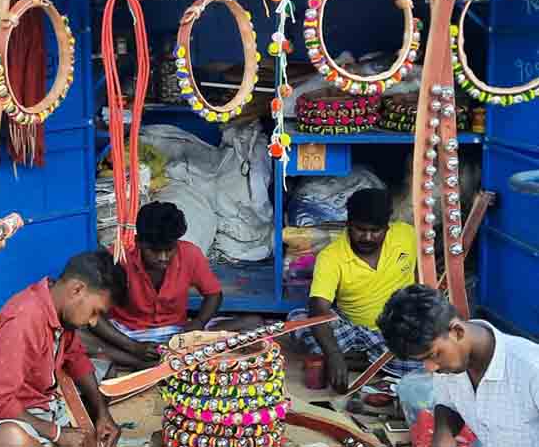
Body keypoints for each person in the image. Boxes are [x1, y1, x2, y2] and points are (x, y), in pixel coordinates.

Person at [0, 250, 126, 447]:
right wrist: (57, 433)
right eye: (95, 312)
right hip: (14, 418)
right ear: (77, 290)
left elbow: (77, 360)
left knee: (105, 369)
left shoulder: (59, 310)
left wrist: (102, 413)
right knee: (11, 439)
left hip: (48, 406)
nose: (93, 322)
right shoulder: (23, 319)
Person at [81, 201, 260, 372]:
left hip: (179, 333)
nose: (163, 257)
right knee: (79, 338)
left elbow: (214, 294)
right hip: (127, 333)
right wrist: (133, 347)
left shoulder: (190, 254)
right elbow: (92, 314)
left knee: (254, 323)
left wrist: (198, 322)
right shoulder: (117, 257)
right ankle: (142, 361)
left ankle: (153, 361)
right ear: (138, 242)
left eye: (169, 249)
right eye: (154, 251)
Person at [288, 188, 422, 393]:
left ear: (387, 228)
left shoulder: (407, 235)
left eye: (375, 231)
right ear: (348, 224)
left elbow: (439, 254)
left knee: (426, 356)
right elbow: (318, 307)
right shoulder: (331, 257)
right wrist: (333, 354)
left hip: (397, 330)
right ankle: (367, 359)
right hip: (354, 328)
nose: (367, 237)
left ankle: (358, 360)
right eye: (360, 229)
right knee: (299, 321)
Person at [378, 284, 539, 446]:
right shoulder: (449, 364)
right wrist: (444, 434)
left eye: (433, 355)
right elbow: (448, 404)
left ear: (457, 331)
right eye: (422, 361)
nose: (430, 368)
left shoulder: (531, 368)